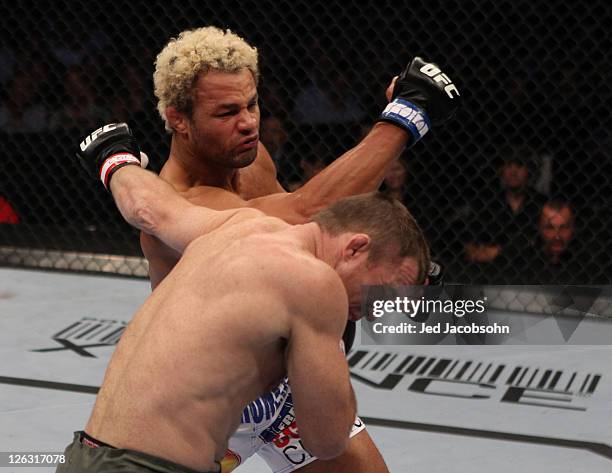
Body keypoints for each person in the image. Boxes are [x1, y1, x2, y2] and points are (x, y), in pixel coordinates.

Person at [136, 26, 459, 473]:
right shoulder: (177, 204)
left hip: (285, 391)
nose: (248, 122)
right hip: (207, 414)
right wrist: (407, 114)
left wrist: (382, 277)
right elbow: (309, 211)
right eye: (227, 112)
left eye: (251, 104)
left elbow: (312, 241)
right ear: (178, 119)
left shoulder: (248, 158)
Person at [58, 128, 432, 473]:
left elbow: (149, 208)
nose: (374, 309)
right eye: (383, 289)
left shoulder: (234, 224)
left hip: (86, 454)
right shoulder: (317, 284)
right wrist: (329, 344)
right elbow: (327, 438)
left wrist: (114, 160)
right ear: (356, 247)